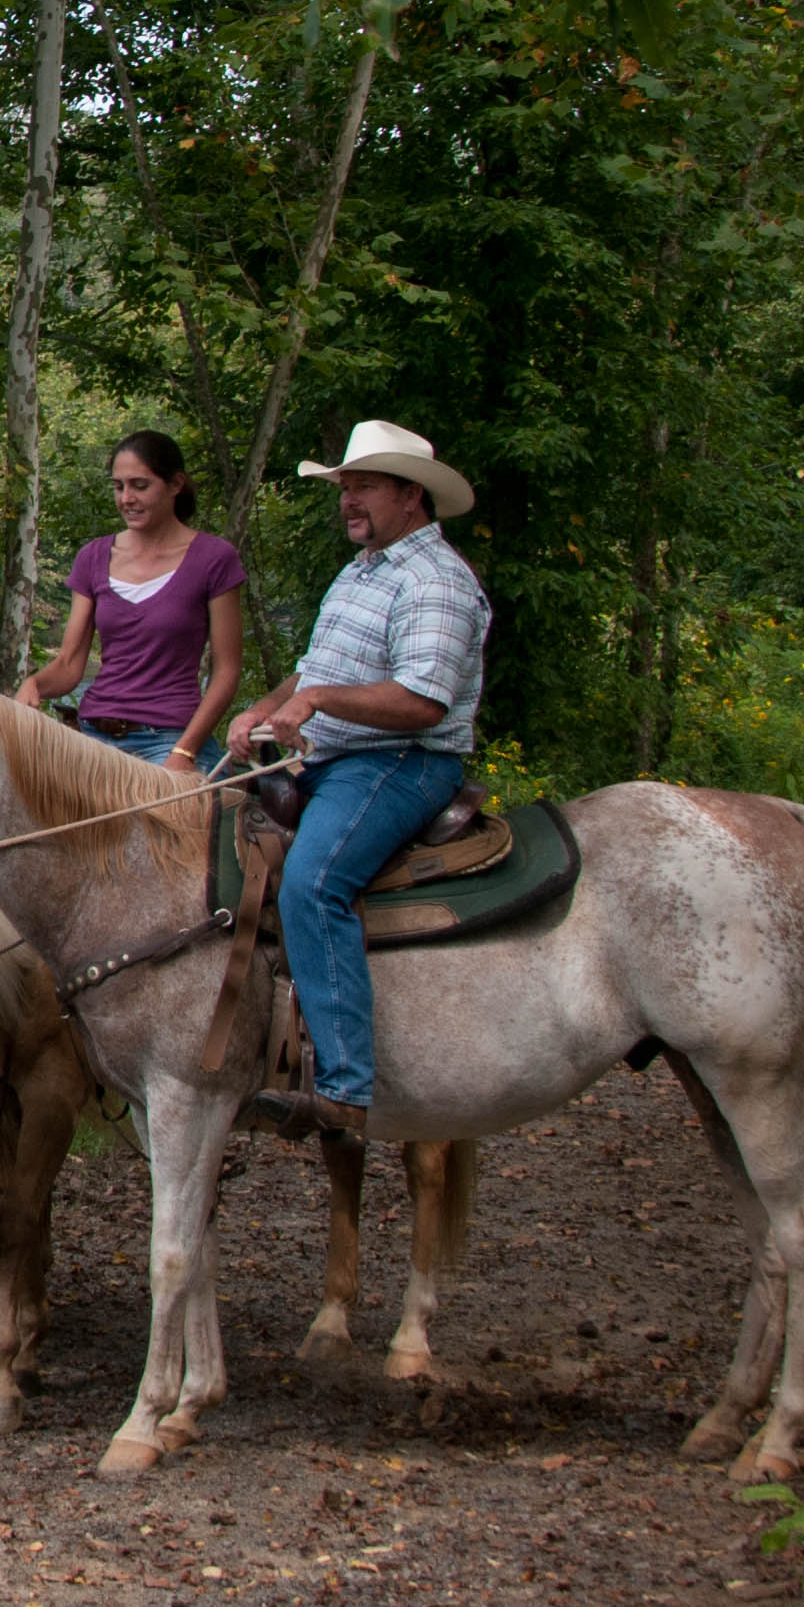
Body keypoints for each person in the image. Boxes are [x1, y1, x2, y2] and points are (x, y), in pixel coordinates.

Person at [221, 420, 490, 1140]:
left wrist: (313, 704)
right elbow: (316, 672)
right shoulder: (364, 568)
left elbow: (422, 701)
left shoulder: (435, 581)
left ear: (412, 494)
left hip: (400, 760)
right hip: (329, 756)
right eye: (344, 487)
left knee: (315, 880)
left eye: (362, 486)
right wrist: (265, 706)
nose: (347, 501)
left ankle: (343, 1084)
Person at [15, 431, 248, 767]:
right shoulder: (93, 557)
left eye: (140, 486)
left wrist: (185, 750)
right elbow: (68, 666)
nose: (126, 498)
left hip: (169, 737)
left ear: (175, 484)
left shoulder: (214, 558)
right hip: (92, 735)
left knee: (177, 816)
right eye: (118, 486)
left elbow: (227, 669)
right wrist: (33, 684)